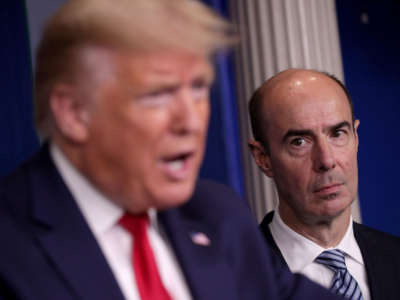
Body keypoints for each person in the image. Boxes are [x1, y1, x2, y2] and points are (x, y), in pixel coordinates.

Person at [0, 1, 341, 300]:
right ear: (74, 112)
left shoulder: (218, 216)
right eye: (158, 94)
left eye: (197, 88)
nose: (191, 121)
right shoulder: (11, 243)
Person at [248, 68, 400, 300]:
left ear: (355, 138)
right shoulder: (234, 279)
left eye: (337, 133)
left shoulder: (394, 256)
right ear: (263, 158)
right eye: (299, 142)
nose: (326, 160)